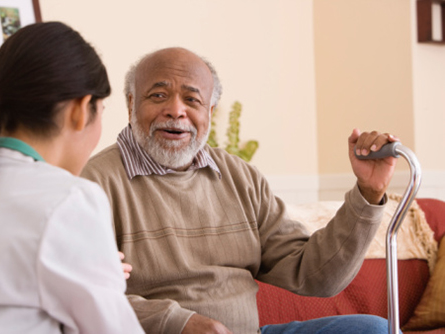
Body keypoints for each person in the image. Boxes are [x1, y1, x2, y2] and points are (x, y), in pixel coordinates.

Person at [81, 47, 399, 334]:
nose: (176, 110)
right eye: (158, 96)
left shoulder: (239, 176)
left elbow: (314, 275)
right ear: (131, 104)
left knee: (373, 329)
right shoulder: (93, 182)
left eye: (192, 99)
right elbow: (83, 294)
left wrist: (368, 192)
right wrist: (179, 323)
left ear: (211, 112)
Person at [0, 22, 144, 334]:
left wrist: (88, 274)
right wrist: (102, 282)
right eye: (101, 110)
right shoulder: (68, 199)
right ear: (81, 109)